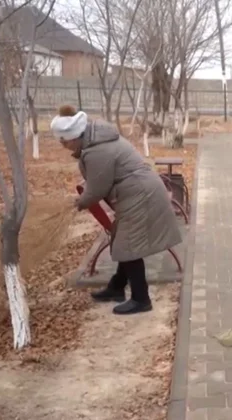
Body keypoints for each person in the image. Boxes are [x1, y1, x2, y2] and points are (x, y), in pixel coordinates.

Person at [51, 105, 183, 315]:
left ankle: (141, 299)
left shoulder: (97, 150)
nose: (63, 146)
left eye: (64, 141)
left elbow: (97, 189)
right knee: (124, 241)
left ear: (74, 136)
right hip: (137, 191)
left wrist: (78, 202)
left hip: (140, 194)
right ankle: (117, 287)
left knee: (128, 244)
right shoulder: (96, 140)